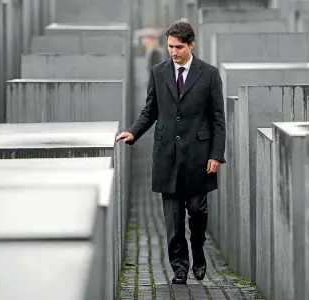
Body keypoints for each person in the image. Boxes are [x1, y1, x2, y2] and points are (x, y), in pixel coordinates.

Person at [116, 20, 226, 285]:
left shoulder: (209, 74)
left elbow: (218, 119)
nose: (174, 52)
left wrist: (216, 155)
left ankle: (198, 251)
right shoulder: (158, 72)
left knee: (197, 213)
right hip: (167, 156)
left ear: (191, 45)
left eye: (179, 47)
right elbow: (150, 110)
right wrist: (133, 132)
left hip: (199, 157)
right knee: (173, 221)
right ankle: (179, 268)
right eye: (170, 47)